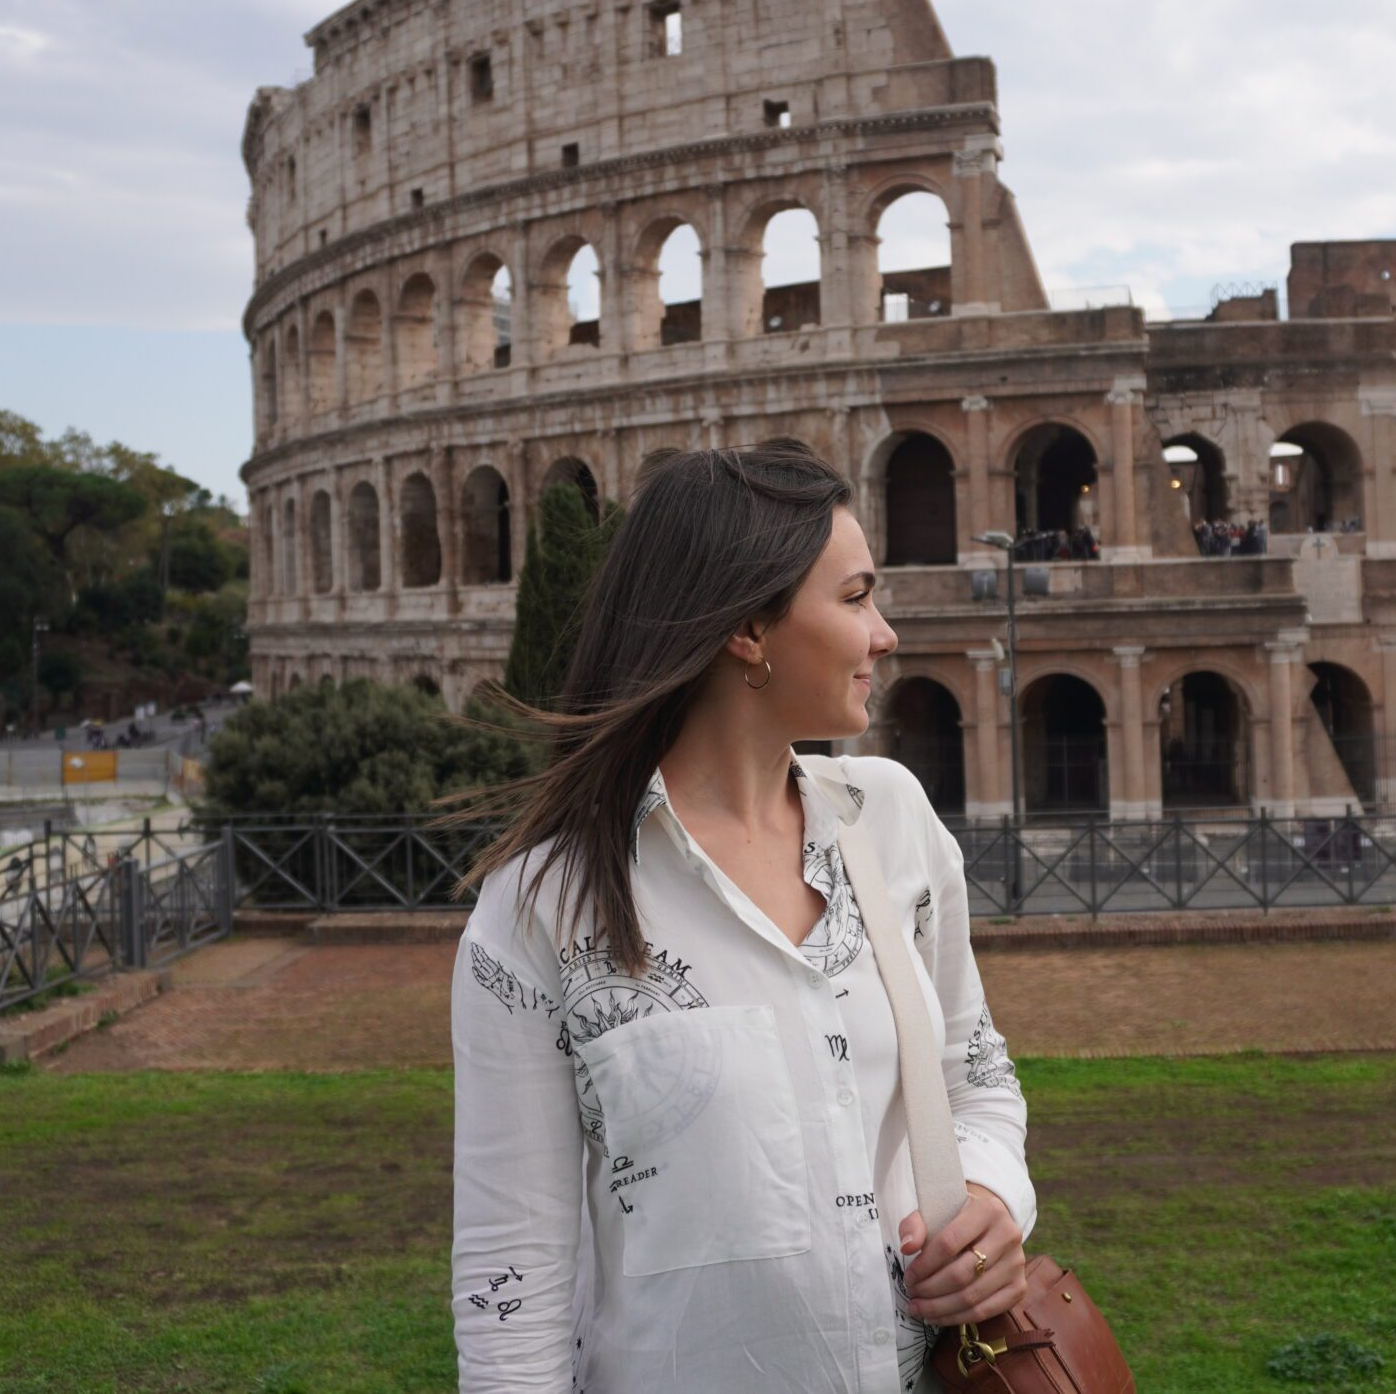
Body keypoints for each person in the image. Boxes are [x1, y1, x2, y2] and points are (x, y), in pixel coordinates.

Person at [443, 441, 1034, 1391]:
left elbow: (978, 1079)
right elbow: (513, 1276)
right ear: (749, 630)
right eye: (854, 598)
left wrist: (994, 1201)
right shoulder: (543, 907)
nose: (884, 634)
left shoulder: (892, 819)